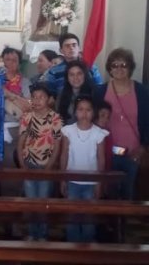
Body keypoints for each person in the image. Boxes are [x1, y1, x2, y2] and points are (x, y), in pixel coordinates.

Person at [93, 48, 149, 200]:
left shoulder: (142, 92)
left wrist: (143, 147)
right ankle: (109, 223)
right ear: (109, 68)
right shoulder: (100, 91)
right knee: (108, 191)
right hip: (107, 152)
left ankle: (122, 224)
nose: (119, 69)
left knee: (128, 193)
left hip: (133, 153)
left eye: (123, 65)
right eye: (114, 65)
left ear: (130, 67)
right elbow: (94, 120)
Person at [17, 83, 62, 241]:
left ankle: (42, 234)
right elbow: (21, 141)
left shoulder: (55, 118)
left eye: (41, 97)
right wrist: (22, 164)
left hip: (46, 165)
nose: (36, 100)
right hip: (28, 163)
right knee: (30, 201)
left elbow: (57, 145)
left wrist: (50, 166)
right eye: (34, 97)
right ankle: (31, 232)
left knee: (43, 203)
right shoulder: (27, 117)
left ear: (49, 99)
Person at [60, 96, 107, 243]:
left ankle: (87, 248)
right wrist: (62, 179)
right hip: (72, 181)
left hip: (91, 183)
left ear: (94, 113)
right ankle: (73, 247)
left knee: (89, 217)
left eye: (88, 110)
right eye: (80, 109)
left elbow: (101, 159)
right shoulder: (68, 131)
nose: (84, 113)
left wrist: (99, 183)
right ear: (75, 112)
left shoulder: (99, 133)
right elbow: (64, 155)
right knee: (72, 216)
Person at [57, 60, 95, 125]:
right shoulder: (61, 94)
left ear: (85, 75)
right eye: (71, 75)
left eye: (79, 74)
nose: (75, 78)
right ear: (67, 78)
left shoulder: (94, 93)